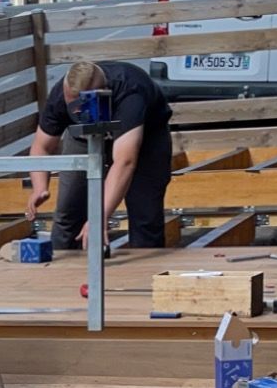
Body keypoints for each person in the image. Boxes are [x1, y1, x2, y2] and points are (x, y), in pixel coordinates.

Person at [29, 56, 173, 250]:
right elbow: (42, 146)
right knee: (68, 211)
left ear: (102, 93)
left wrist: (100, 217)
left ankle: (143, 270)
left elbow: (125, 162)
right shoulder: (60, 95)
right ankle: (62, 267)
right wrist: (40, 186)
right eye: (72, 106)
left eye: (82, 106)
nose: (76, 110)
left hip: (145, 137)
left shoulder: (130, 91)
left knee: (145, 212)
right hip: (83, 137)